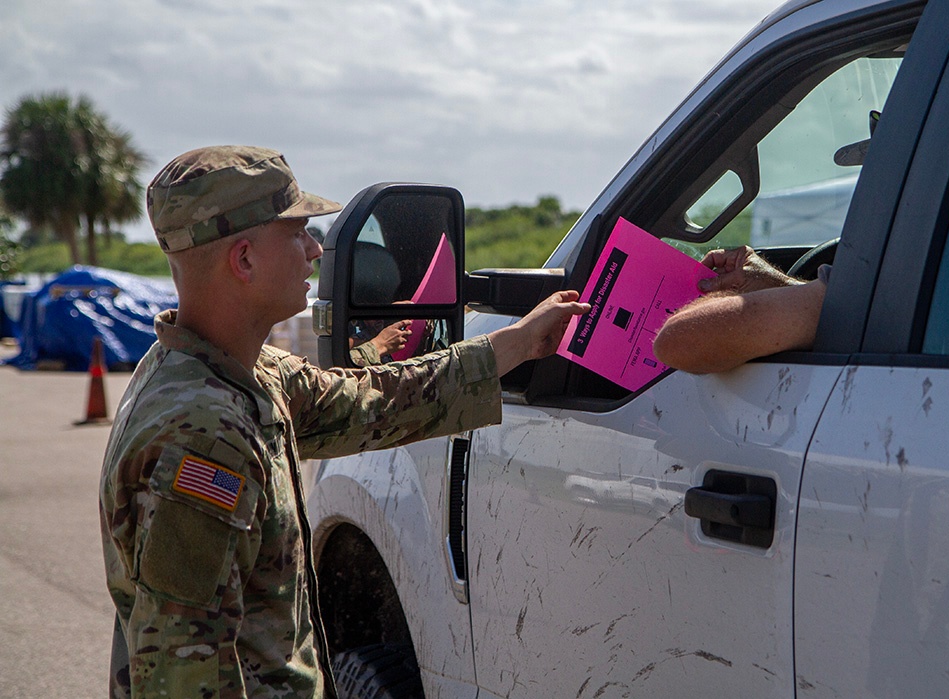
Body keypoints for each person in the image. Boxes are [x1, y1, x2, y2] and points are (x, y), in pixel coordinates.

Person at [99, 145, 589, 698]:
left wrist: (514, 344)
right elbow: (180, 673)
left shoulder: (230, 368)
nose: (314, 250)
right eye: (298, 233)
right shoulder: (203, 435)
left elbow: (367, 402)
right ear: (244, 260)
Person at [653, 245, 827, 373]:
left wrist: (724, 300)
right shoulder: (847, 292)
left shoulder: (849, 293)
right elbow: (828, 301)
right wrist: (782, 284)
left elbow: (675, 340)